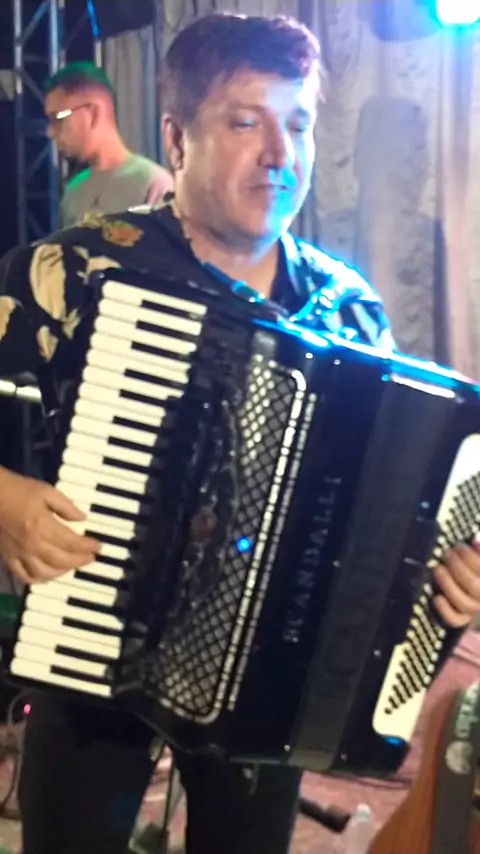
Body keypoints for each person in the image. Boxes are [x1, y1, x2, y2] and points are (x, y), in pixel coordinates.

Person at [0, 12, 479, 854]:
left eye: (298, 123)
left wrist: (454, 568)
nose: (281, 154)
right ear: (176, 138)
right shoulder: (73, 269)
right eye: (245, 122)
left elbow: (399, 517)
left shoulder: (346, 308)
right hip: (92, 653)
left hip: (272, 679)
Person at [44, 62, 172, 228]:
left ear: (93, 113)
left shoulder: (153, 184)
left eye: (58, 118)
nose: (50, 132)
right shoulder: (73, 191)